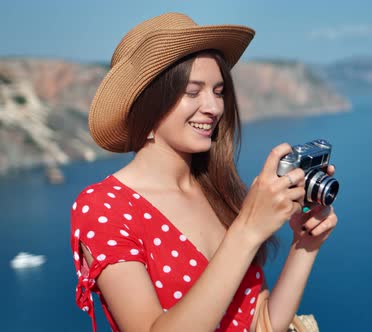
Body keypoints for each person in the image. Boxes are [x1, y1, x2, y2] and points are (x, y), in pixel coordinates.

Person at [69, 12, 338, 332]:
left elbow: (259, 323)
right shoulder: (105, 206)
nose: (214, 107)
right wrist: (247, 230)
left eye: (219, 91)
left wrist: (305, 243)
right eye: (193, 92)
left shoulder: (216, 190)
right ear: (147, 104)